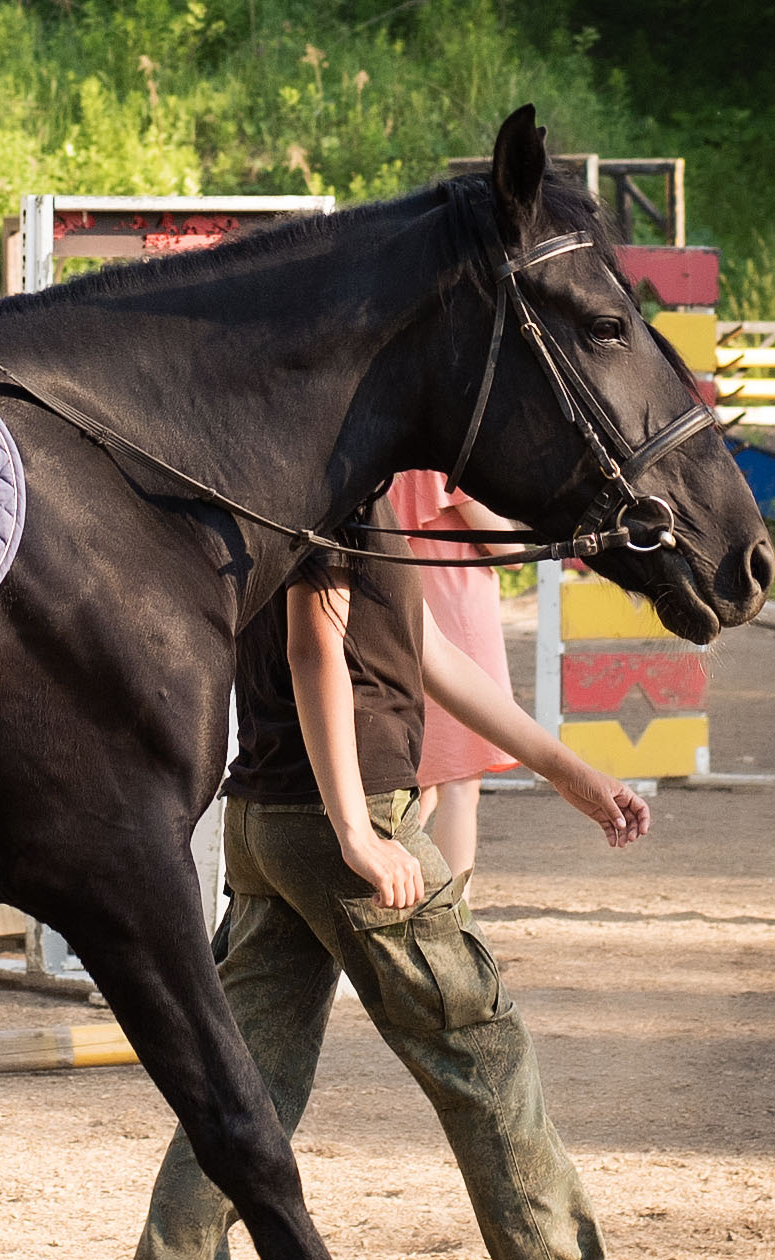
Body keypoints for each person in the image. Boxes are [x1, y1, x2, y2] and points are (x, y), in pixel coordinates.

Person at [137, 501, 650, 1260]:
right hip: (346, 818)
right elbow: (316, 649)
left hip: (265, 818)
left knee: (245, 1084)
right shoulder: (335, 480)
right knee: (481, 1055)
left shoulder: (286, 472)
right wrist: (355, 832)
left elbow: (431, 652)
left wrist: (566, 772)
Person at [389, 468, 529, 875]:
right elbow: (509, 549)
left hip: (414, 613)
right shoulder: (444, 469)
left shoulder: (395, 466)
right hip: (460, 616)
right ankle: (455, 908)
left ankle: (386, 881)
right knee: (461, 781)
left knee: (428, 777)